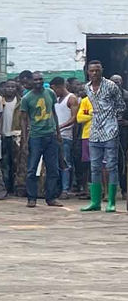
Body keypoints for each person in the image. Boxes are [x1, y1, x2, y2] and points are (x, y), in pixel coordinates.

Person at [80, 59, 124, 212]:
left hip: (110, 129)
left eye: (97, 70)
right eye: (92, 71)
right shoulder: (87, 87)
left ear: (102, 71)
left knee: (111, 165)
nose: (94, 73)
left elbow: (120, 105)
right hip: (94, 130)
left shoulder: (111, 86)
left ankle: (111, 201)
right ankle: (95, 202)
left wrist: (113, 119)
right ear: (88, 72)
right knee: (94, 167)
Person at [19, 71, 62, 208]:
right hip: (36, 136)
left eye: (40, 79)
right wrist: (25, 139)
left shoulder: (50, 93)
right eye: (36, 80)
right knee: (32, 168)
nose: (38, 82)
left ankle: (51, 197)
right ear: (31, 81)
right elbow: (24, 120)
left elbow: (53, 113)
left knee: (53, 168)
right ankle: (31, 198)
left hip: (51, 135)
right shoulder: (26, 98)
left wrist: (58, 132)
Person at [50, 77, 78, 197]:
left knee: (65, 162)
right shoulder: (56, 99)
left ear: (60, 86)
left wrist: (60, 126)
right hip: (55, 134)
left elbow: (74, 118)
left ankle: (65, 189)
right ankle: (57, 188)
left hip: (65, 135)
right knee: (55, 163)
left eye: (54, 89)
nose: (53, 92)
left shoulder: (71, 98)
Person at [0, 80, 23, 195]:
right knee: (4, 163)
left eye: (13, 87)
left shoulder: (20, 102)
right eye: (8, 86)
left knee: (16, 163)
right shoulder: (0, 101)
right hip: (3, 135)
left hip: (16, 136)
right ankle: (6, 188)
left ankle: (16, 187)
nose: (10, 89)